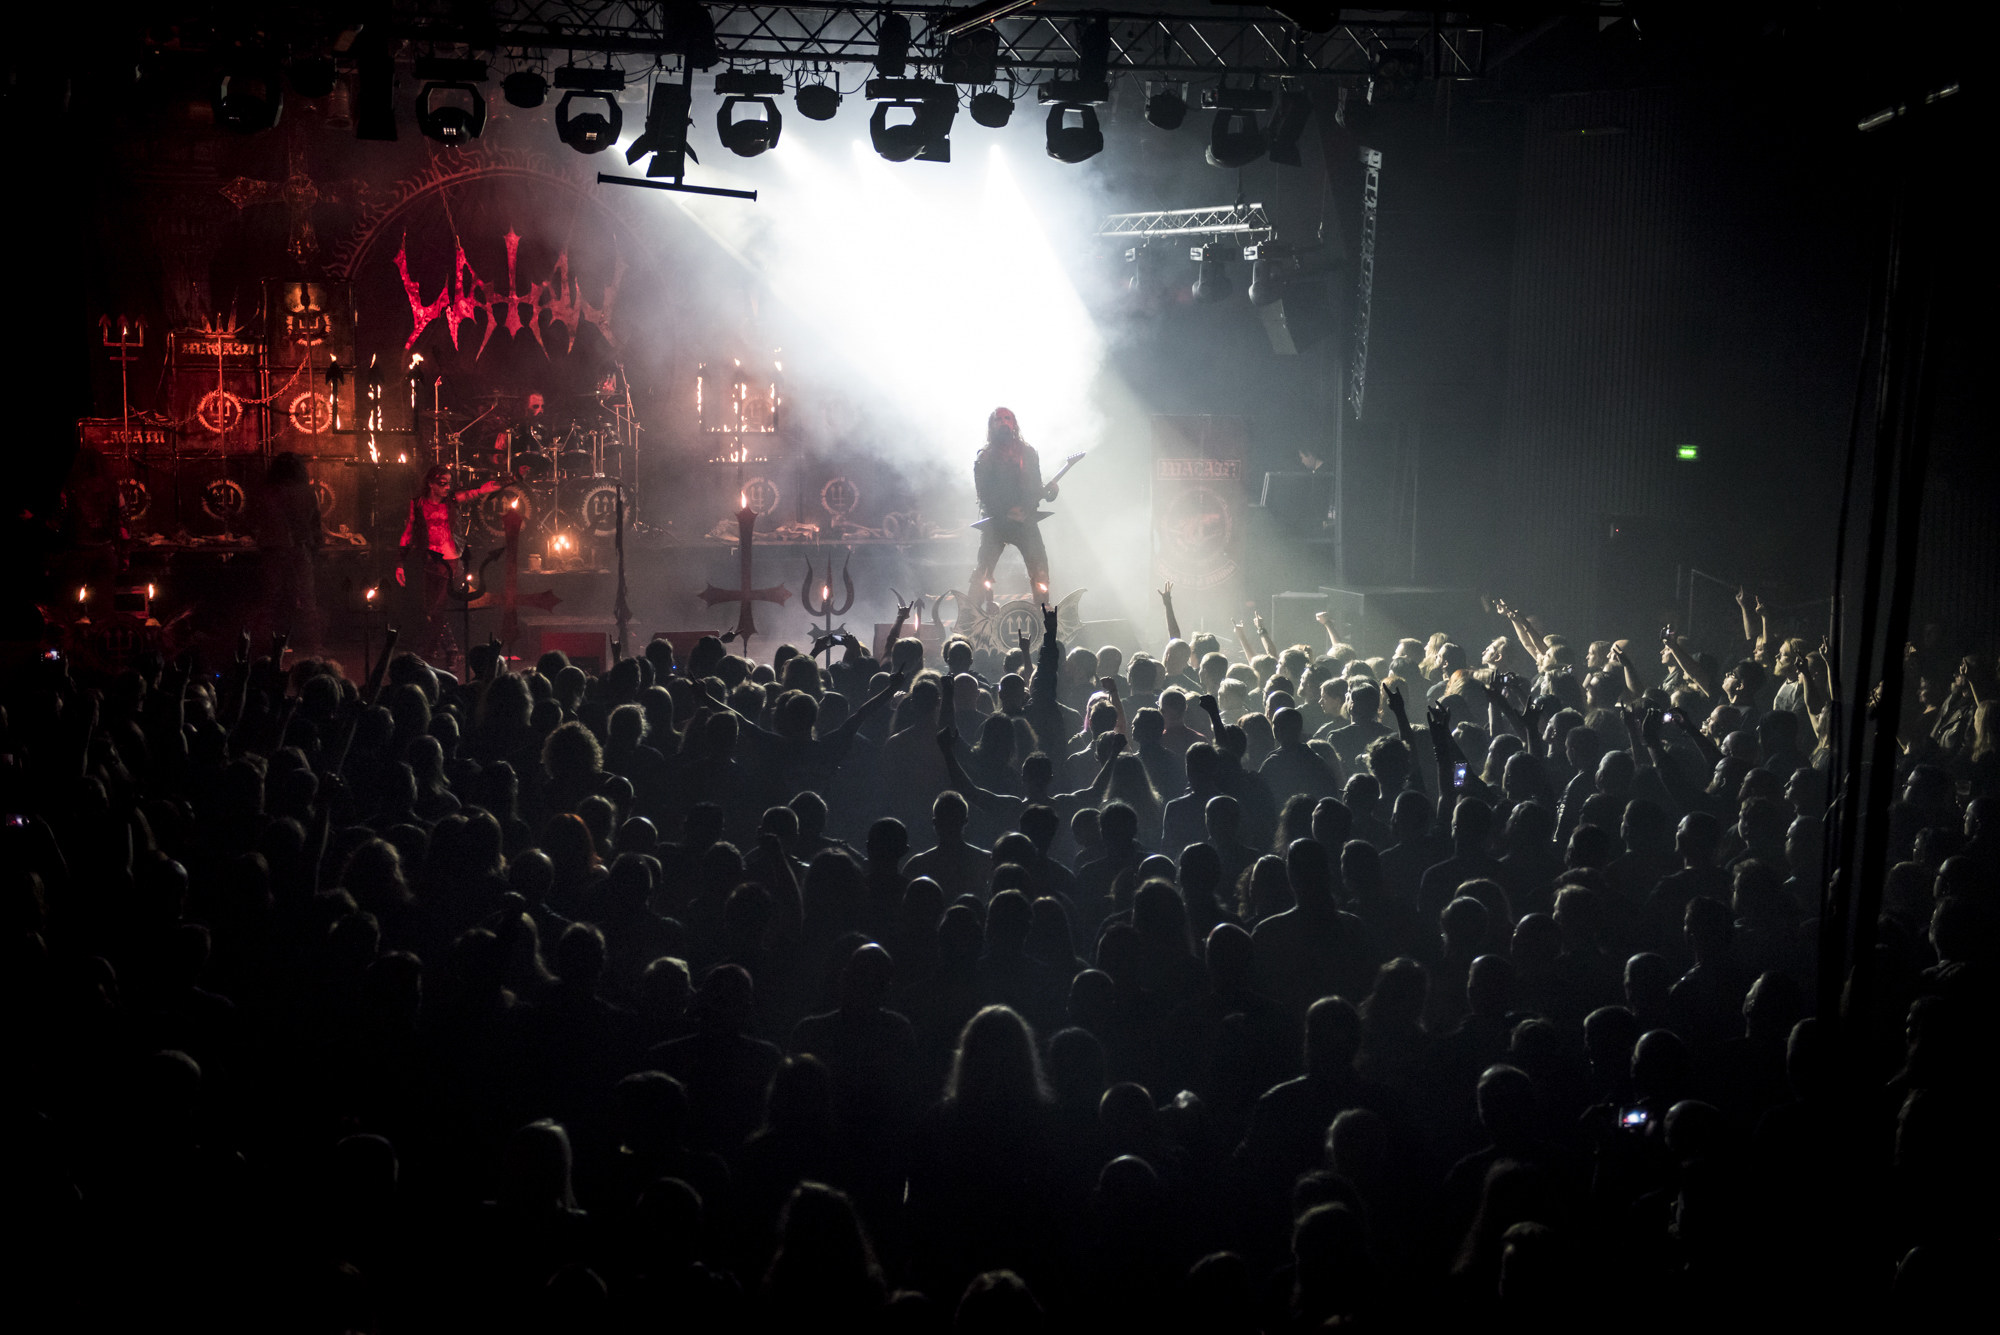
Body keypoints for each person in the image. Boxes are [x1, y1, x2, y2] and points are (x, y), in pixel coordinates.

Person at [396, 463, 503, 667]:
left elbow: (474, 493)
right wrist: (399, 563)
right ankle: (449, 650)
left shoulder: (452, 500)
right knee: (432, 611)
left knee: (437, 609)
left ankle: (430, 654)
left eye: (449, 483)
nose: (447, 487)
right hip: (430, 562)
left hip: (451, 562)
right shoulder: (417, 504)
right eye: (442, 483)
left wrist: (489, 487)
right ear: (431, 484)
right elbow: (408, 532)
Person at [968, 407, 1059, 607]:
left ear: (1014, 423)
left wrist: (1050, 493)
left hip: (1025, 522)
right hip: (997, 523)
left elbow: (1036, 487)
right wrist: (1006, 512)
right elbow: (984, 493)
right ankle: (970, 617)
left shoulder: (1028, 453)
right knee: (982, 572)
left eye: (1007, 418)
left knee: (1040, 572)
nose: (1003, 422)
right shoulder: (985, 457)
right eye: (999, 419)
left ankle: (1043, 616)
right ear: (992, 425)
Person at [251, 451, 324, 650]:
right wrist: (314, 546)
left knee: (271, 601)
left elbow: (256, 522)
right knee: (307, 601)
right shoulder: (307, 492)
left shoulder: (266, 493)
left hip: (272, 550)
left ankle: (266, 646)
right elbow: (314, 525)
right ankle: (314, 645)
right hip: (299, 549)